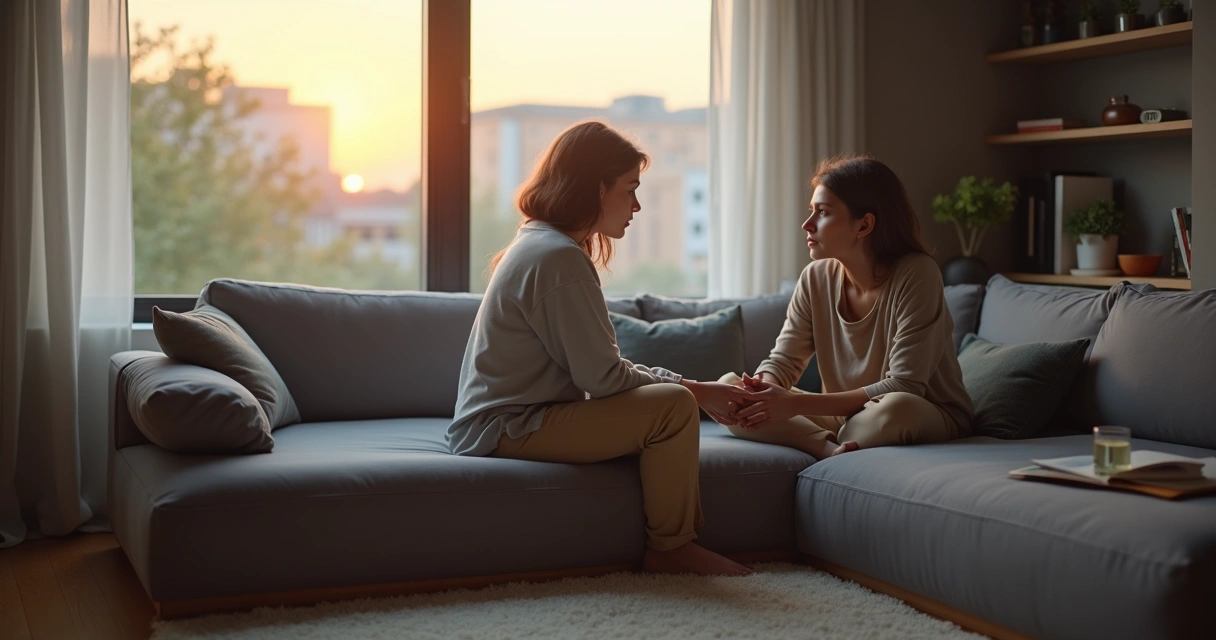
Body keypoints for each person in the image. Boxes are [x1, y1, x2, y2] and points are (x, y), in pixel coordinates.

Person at [447, 121, 752, 577]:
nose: (637, 204)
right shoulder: (557, 258)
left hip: (502, 422)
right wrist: (694, 390)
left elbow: (598, 374)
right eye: (629, 188)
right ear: (595, 187)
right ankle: (671, 549)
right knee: (672, 406)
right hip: (505, 427)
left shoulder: (540, 243)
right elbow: (603, 379)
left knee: (670, 405)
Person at [707, 155, 974, 459]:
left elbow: (905, 384)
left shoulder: (918, 273)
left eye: (822, 212)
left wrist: (792, 406)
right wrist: (762, 391)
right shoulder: (815, 277)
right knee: (730, 389)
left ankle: (820, 437)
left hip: (920, 411)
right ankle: (824, 446)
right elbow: (783, 360)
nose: (807, 224)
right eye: (811, 211)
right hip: (842, 414)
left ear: (864, 225)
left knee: (897, 408)